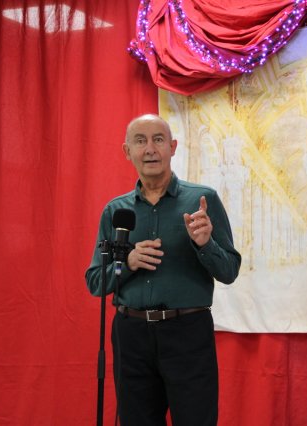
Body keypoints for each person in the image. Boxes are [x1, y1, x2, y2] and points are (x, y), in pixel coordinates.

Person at [85, 113, 241, 425]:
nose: (150, 149)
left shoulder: (202, 200)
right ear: (127, 151)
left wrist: (205, 244)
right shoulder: (116, 211)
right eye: (140, 141)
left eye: (158, 140)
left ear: (173, 147)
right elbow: (95, 282)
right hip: (131, 335)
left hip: (187, 333)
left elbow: (229, 271)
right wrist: (128, 262)